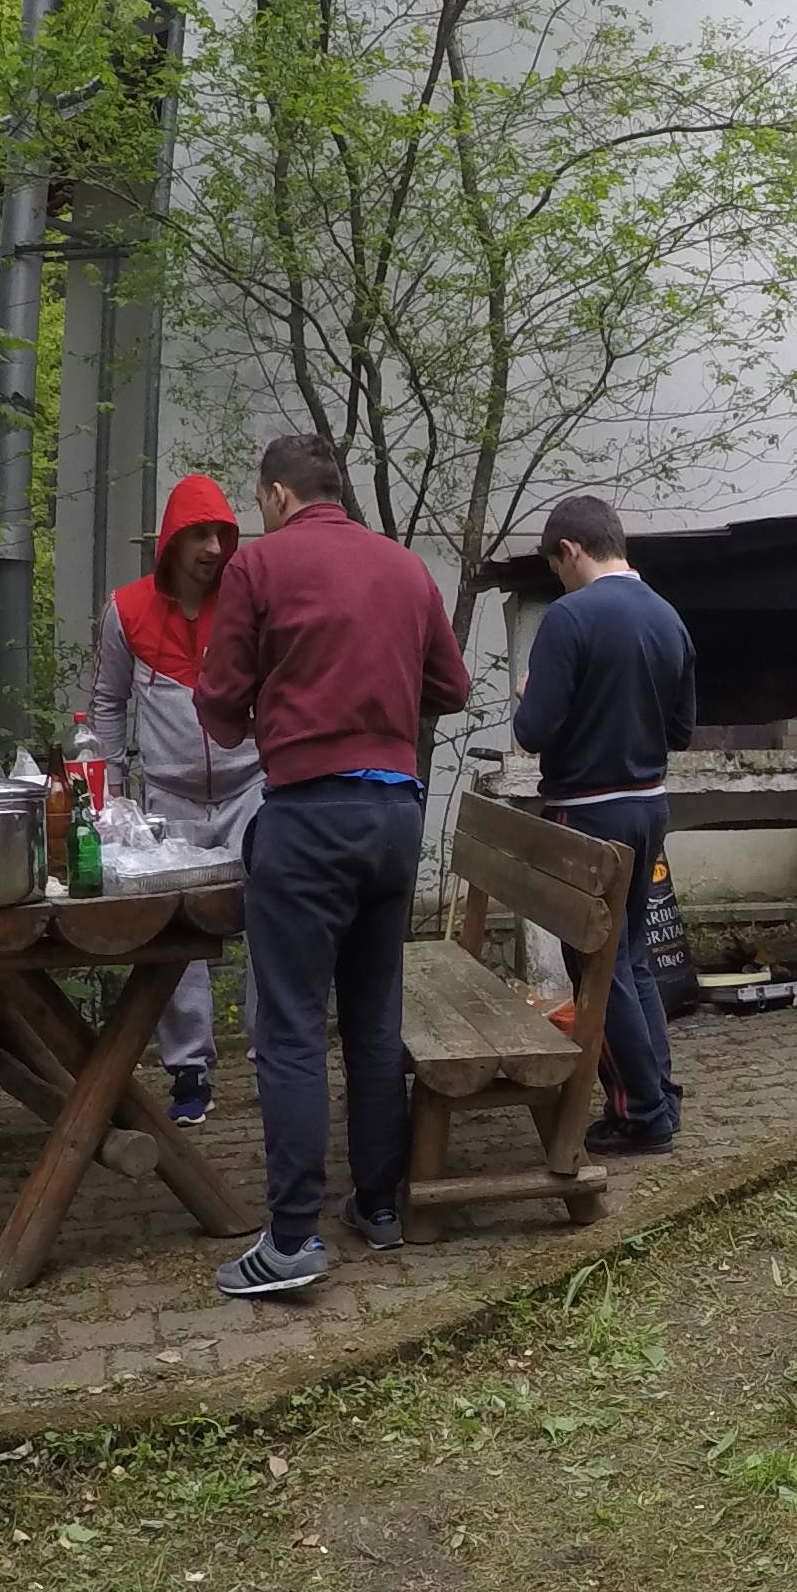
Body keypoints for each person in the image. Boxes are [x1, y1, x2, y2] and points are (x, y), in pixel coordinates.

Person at [195, 433, 472, 1298]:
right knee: (373, 1018)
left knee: (290, 1030)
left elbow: (219, 706)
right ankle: (379, 1207)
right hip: (394, 818)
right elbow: (453, 689)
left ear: (278, 494)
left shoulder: (259, 566)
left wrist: (272, 704)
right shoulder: (406, 569)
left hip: (308, 820)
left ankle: (290, 1241)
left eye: (258, 502)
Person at [510, 492, 696, 1155]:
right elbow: (682, 730)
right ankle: (659, 1096)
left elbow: (533, 732)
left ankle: (641, 1113)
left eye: (554, 566)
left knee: (596, 967)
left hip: (587, 811)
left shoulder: (570, 617)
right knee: (631, 957)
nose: (558, 580)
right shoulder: (669, 616)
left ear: (569, 550)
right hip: (649, 805)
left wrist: (529, 693)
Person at [84, 471, 267, 1124]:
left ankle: (271, 1058)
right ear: (171, 540)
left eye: (222, 534)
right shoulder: (126, 610)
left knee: (273, 915)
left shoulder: (249, 603)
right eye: (199, 534)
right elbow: (106, 703)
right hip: (167, 797)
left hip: (252, 787)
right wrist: (107, 796)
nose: (213, 548)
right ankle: (189, 1070)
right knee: (175, 928)